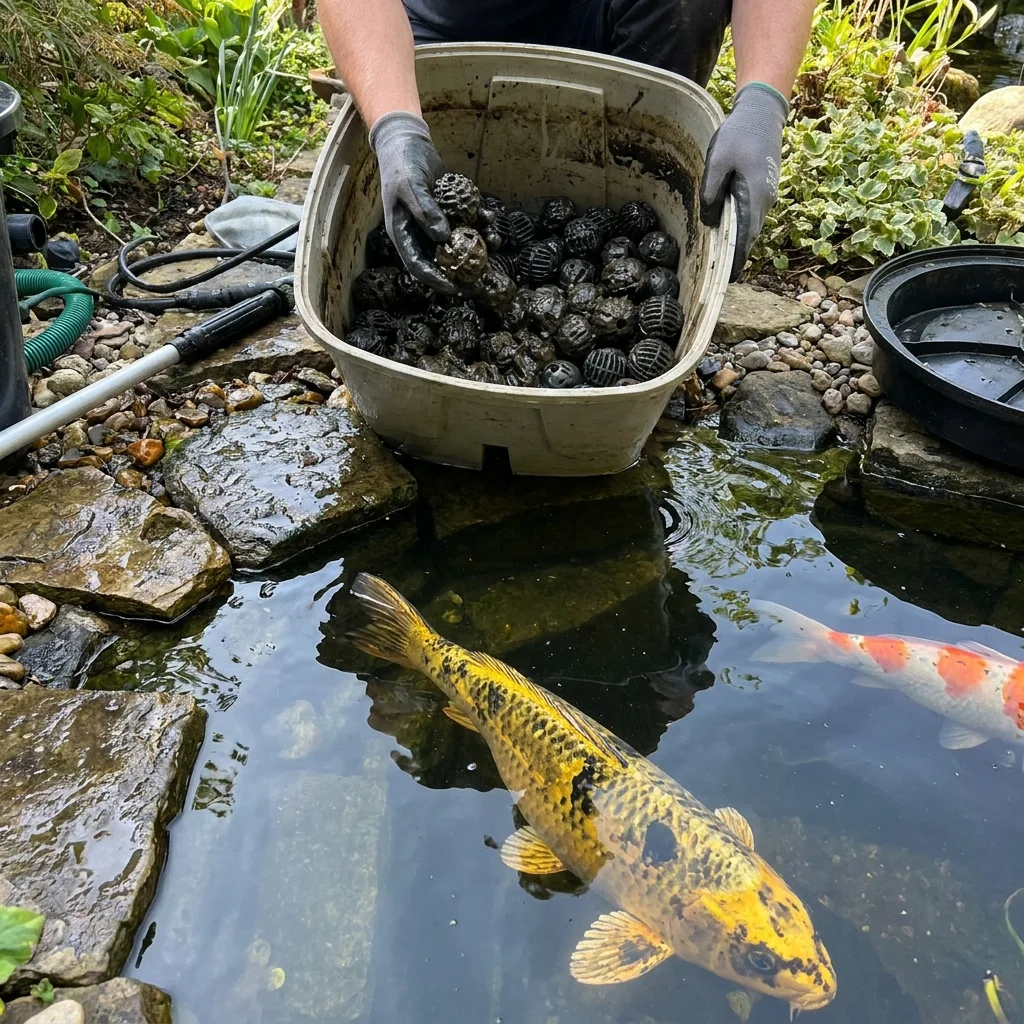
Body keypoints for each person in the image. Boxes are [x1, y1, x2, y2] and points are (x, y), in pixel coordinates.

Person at [318, 0, 815, 287]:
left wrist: (762, 103)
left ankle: (629, 189)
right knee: (424, 195)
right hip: (447, 35)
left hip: (614, 21)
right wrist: (395, 123)